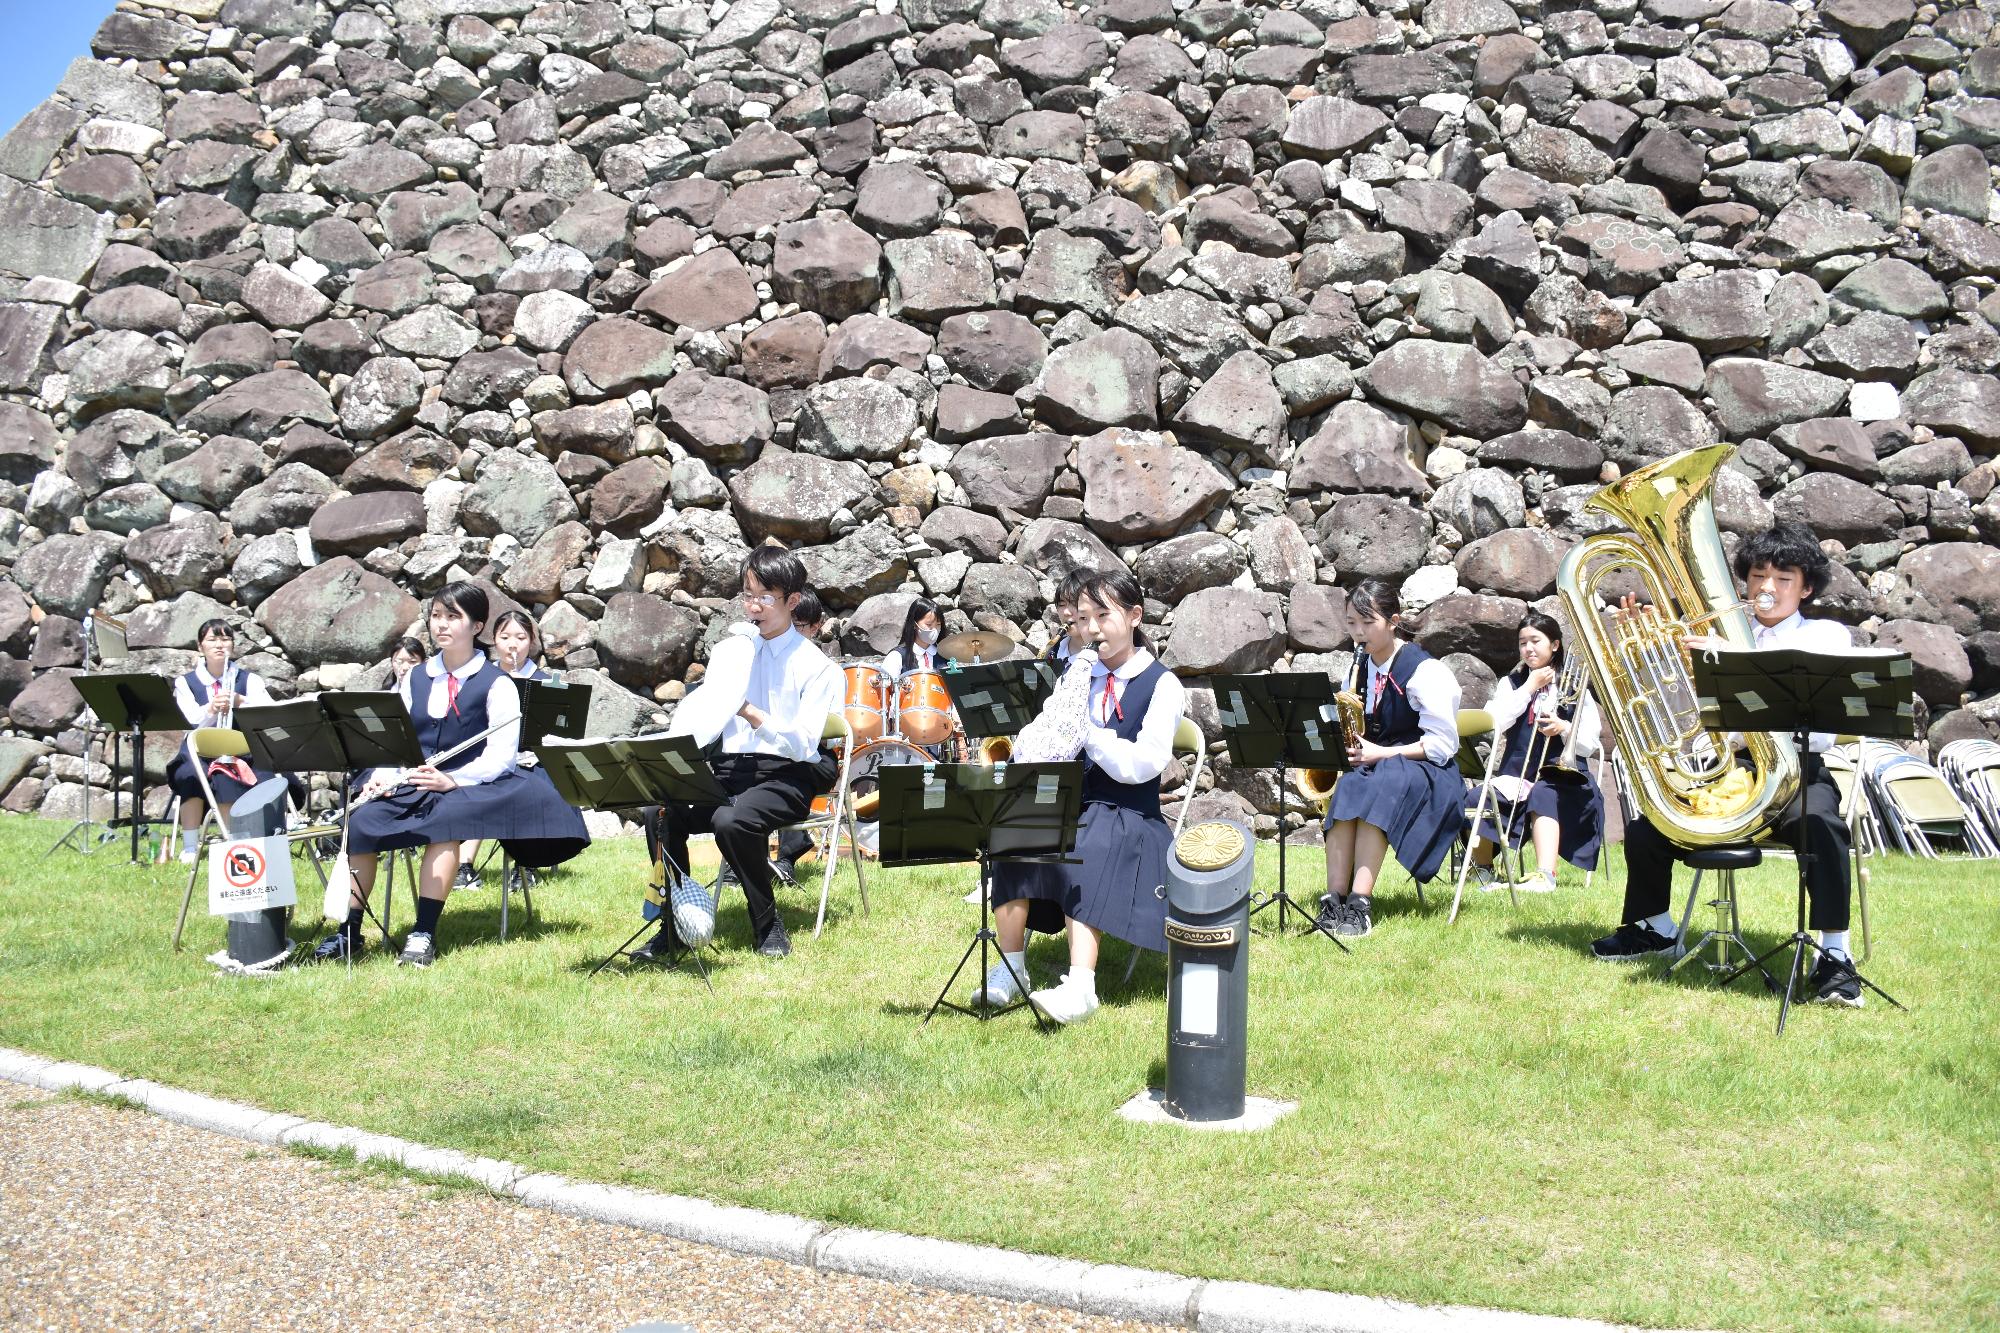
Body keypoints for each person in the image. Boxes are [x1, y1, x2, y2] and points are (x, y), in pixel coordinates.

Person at [1590, 523, 1865, 1006]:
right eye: (1758, 576)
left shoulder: (1825, 636)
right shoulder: (1716, 636)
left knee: (1821, 824)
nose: (1766, 588)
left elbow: (1821, 729)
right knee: (1647, 828)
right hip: (1736, 769)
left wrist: (1734, 663)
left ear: (1806, 588)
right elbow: (1699, 722)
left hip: (1801, 767)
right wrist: (1666, 657)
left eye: (1783, 578)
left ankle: (1835, 956)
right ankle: (1655, 928)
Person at [307, 582, 589, 968]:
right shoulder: (415, 678)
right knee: (361, 825)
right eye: (437, 615)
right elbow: (397, 740)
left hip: (471, 784)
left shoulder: (497, 683)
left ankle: (423, 932)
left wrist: (453, 780)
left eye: (452, 616)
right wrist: (382, 774)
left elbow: (501, 757)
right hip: (418, 780)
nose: (441, 625)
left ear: (476, 626)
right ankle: (348, 933)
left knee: (445, 823)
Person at [980, 570, 1186, 1025]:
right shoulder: (1079, 674)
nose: (1090, 630)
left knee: (1086, 842)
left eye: (1103, 616)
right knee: (1015, 829)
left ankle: (1081, 986)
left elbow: (1142, 766)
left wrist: (1087, 733)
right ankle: (1011, 968)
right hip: (1073, 803)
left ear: (1135, 616)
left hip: (1129, 812)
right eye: (1084, 618)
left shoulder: (1162, 684)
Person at [635, 548, 842, 960]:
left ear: (792, 601)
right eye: (748, 595)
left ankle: (766, 923)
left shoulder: (818, 667)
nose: (753, 606)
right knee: (658, 813)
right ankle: (674, 924)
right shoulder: (732, 652)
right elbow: (705, 720)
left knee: (731, 821)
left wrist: (747, 710)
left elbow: (804, 744)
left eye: (765, 596)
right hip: (730, 768)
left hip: (790, 772)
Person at [1315, 579, 1464, 939]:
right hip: (1379, 762)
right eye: (1351, 623)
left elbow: (1443, 745)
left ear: (1393, 621)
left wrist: (1382, 752)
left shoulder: (1426, 671)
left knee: (1382, 783)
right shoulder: (1360, 667)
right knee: (1349, 785)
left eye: (1368, 623)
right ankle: (1333, 900)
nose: (1358, 633)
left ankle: (1360, 904)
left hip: (1428, 769)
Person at [1466, 612, 1605, 894]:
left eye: (1535, 641)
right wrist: (1529, 687)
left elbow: (1590, 741)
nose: (1528, 648)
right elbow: (1494, 721)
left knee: (1544, 792)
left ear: (1554, 645)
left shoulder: (1574, 686)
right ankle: (1482, 870)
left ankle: (1545, 875)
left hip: (1566, 778)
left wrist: (1563, 727)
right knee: (1477, 796)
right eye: (1522, 642)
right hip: (1516, 775)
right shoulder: (1512, 683)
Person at [164, 619, 280, 864]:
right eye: (212, 640)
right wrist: (211, 709)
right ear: (200, 646)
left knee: (245, 774)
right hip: (199, 750)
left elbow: (269, 712)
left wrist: (240, 702)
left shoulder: (249, 681)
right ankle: (190, 845)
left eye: (225, 639)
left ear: (233, 646)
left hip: (241, 748)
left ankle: (243, 840)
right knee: (190, 775)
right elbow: (188, 721)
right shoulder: (186, 682)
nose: (219, 645)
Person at [772, 591, 829, 886]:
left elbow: (826, 732)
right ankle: (744, 857)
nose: (791, 632)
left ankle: (785, 857)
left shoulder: (822, 668)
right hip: (777, 746)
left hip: (812, 752)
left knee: (781, 766)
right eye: (788, 624)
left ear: (816, 627)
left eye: (799, 626)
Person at [882, 597, 945, 679]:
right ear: (915, 624)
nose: (934, 630)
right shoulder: (897, 656)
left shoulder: (945, 655)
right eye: (929, 624)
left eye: (938, 624)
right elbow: (886, 688)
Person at [1042, 568, 1095, 666]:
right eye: (1062, 605)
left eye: (1075, 603)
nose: (1066, 612)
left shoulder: (1106, 656)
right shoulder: (1054, 649)